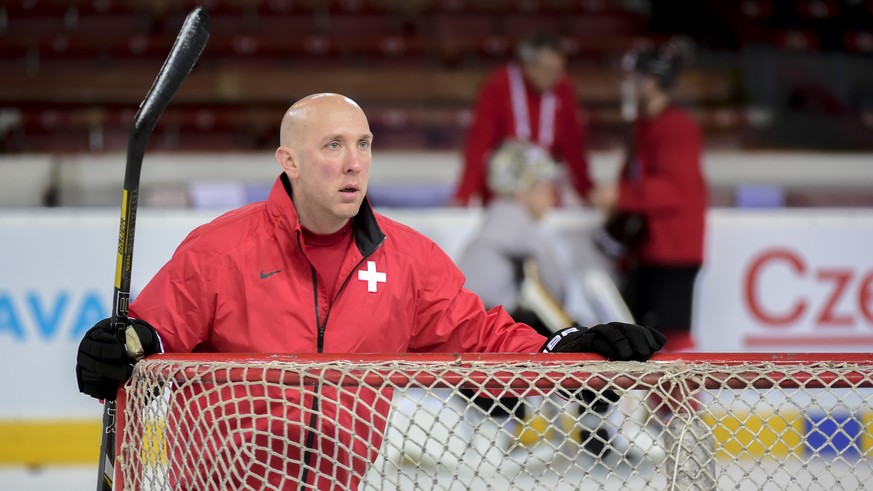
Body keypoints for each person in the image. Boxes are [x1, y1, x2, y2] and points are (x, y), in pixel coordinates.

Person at [75, 93, 666, 490]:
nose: (354, 163)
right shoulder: (221, 249)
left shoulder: (406, 258)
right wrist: (118, 346)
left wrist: (563, 345)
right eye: (333, 146)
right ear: (290, 161)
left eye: (363, 144)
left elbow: (480, 335)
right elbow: (151, 334)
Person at [590, 40, 707, 352]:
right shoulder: (645, 127)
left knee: (670, 341)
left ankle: (680, 403)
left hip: (671, 251)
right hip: (649, 250)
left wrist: (620, 196)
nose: (630, 85)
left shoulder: (677, 128)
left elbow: (673, 190)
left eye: (637, 77)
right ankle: (654, 402)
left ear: (652, 80)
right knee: (639, 337)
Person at [453, 32, 593, 206]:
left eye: (558, 70)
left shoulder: (563, 88)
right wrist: (464, 195)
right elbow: (479, 143)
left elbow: (574, 146)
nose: (554, 77)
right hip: (502, 194)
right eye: (547, 69)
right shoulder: (498, 85)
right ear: (527, 65)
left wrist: (587, 191)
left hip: (545, 197)